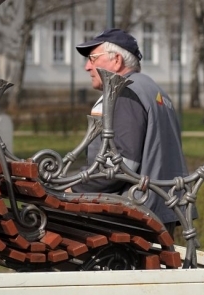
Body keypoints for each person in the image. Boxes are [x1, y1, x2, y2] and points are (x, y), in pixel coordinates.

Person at [74, 29, 187, 235]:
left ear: (116, 60)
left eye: (92, 58)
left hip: (134, 215)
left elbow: (119, 167)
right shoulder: (153, 89)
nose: (87, 66)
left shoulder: (126, 92)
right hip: (158, 209)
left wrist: (73, 188)